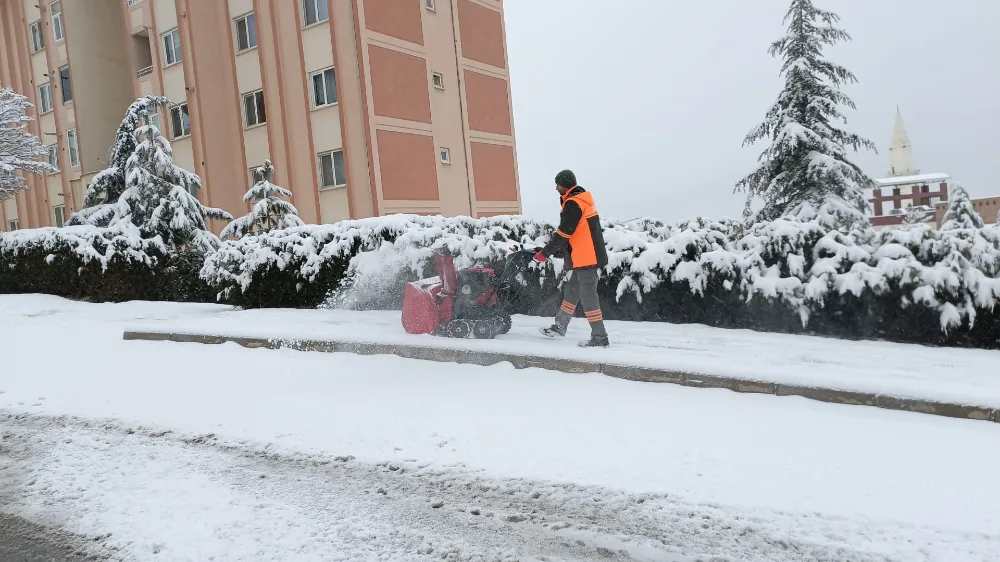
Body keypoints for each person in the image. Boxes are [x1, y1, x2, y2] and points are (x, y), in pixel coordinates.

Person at [534, 170, 610, 348]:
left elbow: (563, 234)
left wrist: (545, 253)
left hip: (587, 259)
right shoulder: (580, 201)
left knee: (589, 297)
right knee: (572, 292)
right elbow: (577, 234)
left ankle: (600, 337)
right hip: (582, 257)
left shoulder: (574, 203)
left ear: (565, 184)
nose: (556, 188)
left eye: (558, 184)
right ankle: (560, 327)